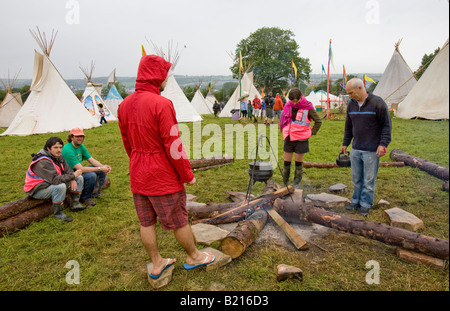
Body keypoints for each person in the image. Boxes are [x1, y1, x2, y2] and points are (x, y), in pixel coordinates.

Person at [117, 54, 215, 280]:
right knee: (179, 220)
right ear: (156, 76)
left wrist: (138, 162)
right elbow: (173, 144)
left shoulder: (124, 105)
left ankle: (157, 262)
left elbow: (127, 143)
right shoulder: (161, 103)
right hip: (161, 174)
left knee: (146, 222)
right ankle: (194, 256)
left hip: (138, 172)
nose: (165, 79)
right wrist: (186, 174)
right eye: (164, 74)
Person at [340, 78, 391, 216]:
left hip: (371, 149)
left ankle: (365, 204)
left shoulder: (377, 103)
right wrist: (345, 143)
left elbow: (387, 125)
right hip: (356, 148)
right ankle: (355, 201)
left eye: (351, 93)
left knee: (368, 180)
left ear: (360, 88)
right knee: (356, 178)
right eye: (348, 93)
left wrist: (383, 144)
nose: (349, 96)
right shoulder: (351, 105)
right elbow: (348, 126)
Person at [24, 137, 85, 222]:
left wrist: (73, 178)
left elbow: (68, 170)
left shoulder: (59, 156)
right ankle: (59, 214)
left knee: (79, 177)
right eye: (55, 147)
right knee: (60, 186)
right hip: (37, 189)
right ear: (48, 148)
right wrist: (72, 176)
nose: (59, 150)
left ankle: (75, 204)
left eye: (60, 147)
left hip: (49, 183)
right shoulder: (42, 161)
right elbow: (54, 180)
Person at [280, 88, 322, 189]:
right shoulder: (288, 105)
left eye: (296, 101)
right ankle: (285, 183)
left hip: (301, 140)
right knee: (286, 162)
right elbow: (283, 120)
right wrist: (285, 132)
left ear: (300, 97)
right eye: (292, 101)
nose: (294, 103)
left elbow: (318, 121)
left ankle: (296, 184)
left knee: (298, 163)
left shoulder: (308, 107)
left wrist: (311, 132)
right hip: (289, 138)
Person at [62, 128, 112, 207]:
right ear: (71, 137)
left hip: (78, 169)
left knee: (100, 170)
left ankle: (95, 193)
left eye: (81, 136)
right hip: (69, 172)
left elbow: (91, 160)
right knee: (91, 175)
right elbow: (80, 169)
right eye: (77, 136)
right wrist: (100, 168)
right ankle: (85, 198)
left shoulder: (81, 146)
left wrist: (103, 167)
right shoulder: (67, 149)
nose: (80, 138)